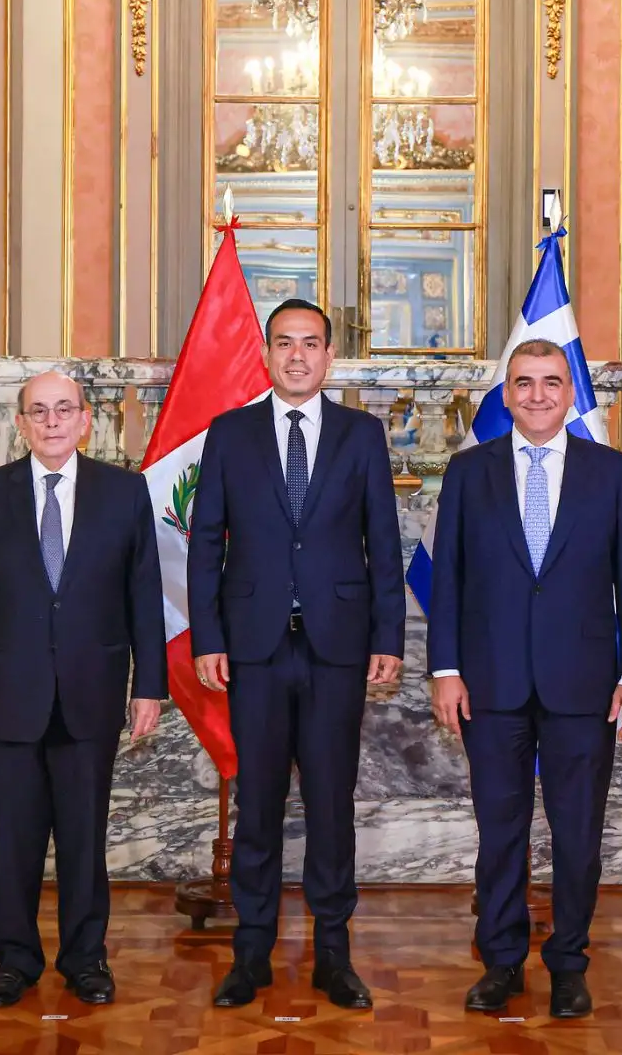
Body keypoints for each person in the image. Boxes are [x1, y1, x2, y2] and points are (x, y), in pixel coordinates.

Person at [426, 339, 622, 1019]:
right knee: (500, 834)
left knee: (577, 836)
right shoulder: (469, 472)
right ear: (506, 395)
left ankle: (569, 964)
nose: (536, 395)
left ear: (570, 392)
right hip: (489, 685)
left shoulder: (610, 472)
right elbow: (448, 581)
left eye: (551, 382)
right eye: (523, 382)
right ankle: (501, 962)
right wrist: (446, 669)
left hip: (583, 687)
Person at [187, 298, 405, 1009]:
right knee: (257, 804)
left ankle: (333, 955)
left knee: (331, 803)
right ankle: (250, 955)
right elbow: (205, 542)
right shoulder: (230, 433)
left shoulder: (361, 435)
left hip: (337, 647)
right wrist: (209, 637)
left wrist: (388, 638)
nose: (297, 355)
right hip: (253, 649)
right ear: (266, 354)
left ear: (329, 357)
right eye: (284, 342)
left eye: (311, 343)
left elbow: (383, 544)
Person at [0, 371, 167, 1009]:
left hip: (92, 693)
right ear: (21, 425)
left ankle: (85, 959)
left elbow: (144, 596)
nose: (52, 421)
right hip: (8, 695)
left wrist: (149, 686)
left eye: (64, 409)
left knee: (83, 837)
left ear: (86, 420)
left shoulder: (125, 492)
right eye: (38, 411)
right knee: (11, 838)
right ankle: (13, 960)